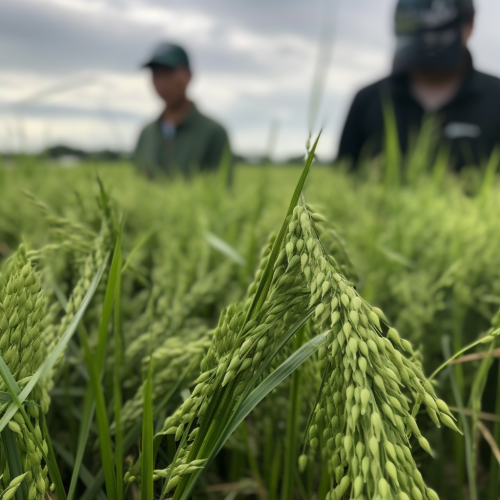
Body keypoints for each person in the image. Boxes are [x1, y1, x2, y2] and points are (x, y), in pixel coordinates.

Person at [337, 0, 500, 171]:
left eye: (438, 33)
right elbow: (342, 178)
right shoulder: (367, 100)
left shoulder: (496, 98)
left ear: (470, 24)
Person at [134, 42, 231, 178]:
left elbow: (223, 189)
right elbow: (138, 185)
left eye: (168, 73)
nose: (162, 82)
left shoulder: (213, 132)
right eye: (156, 74)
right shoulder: (146, 134)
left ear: (189, 75)